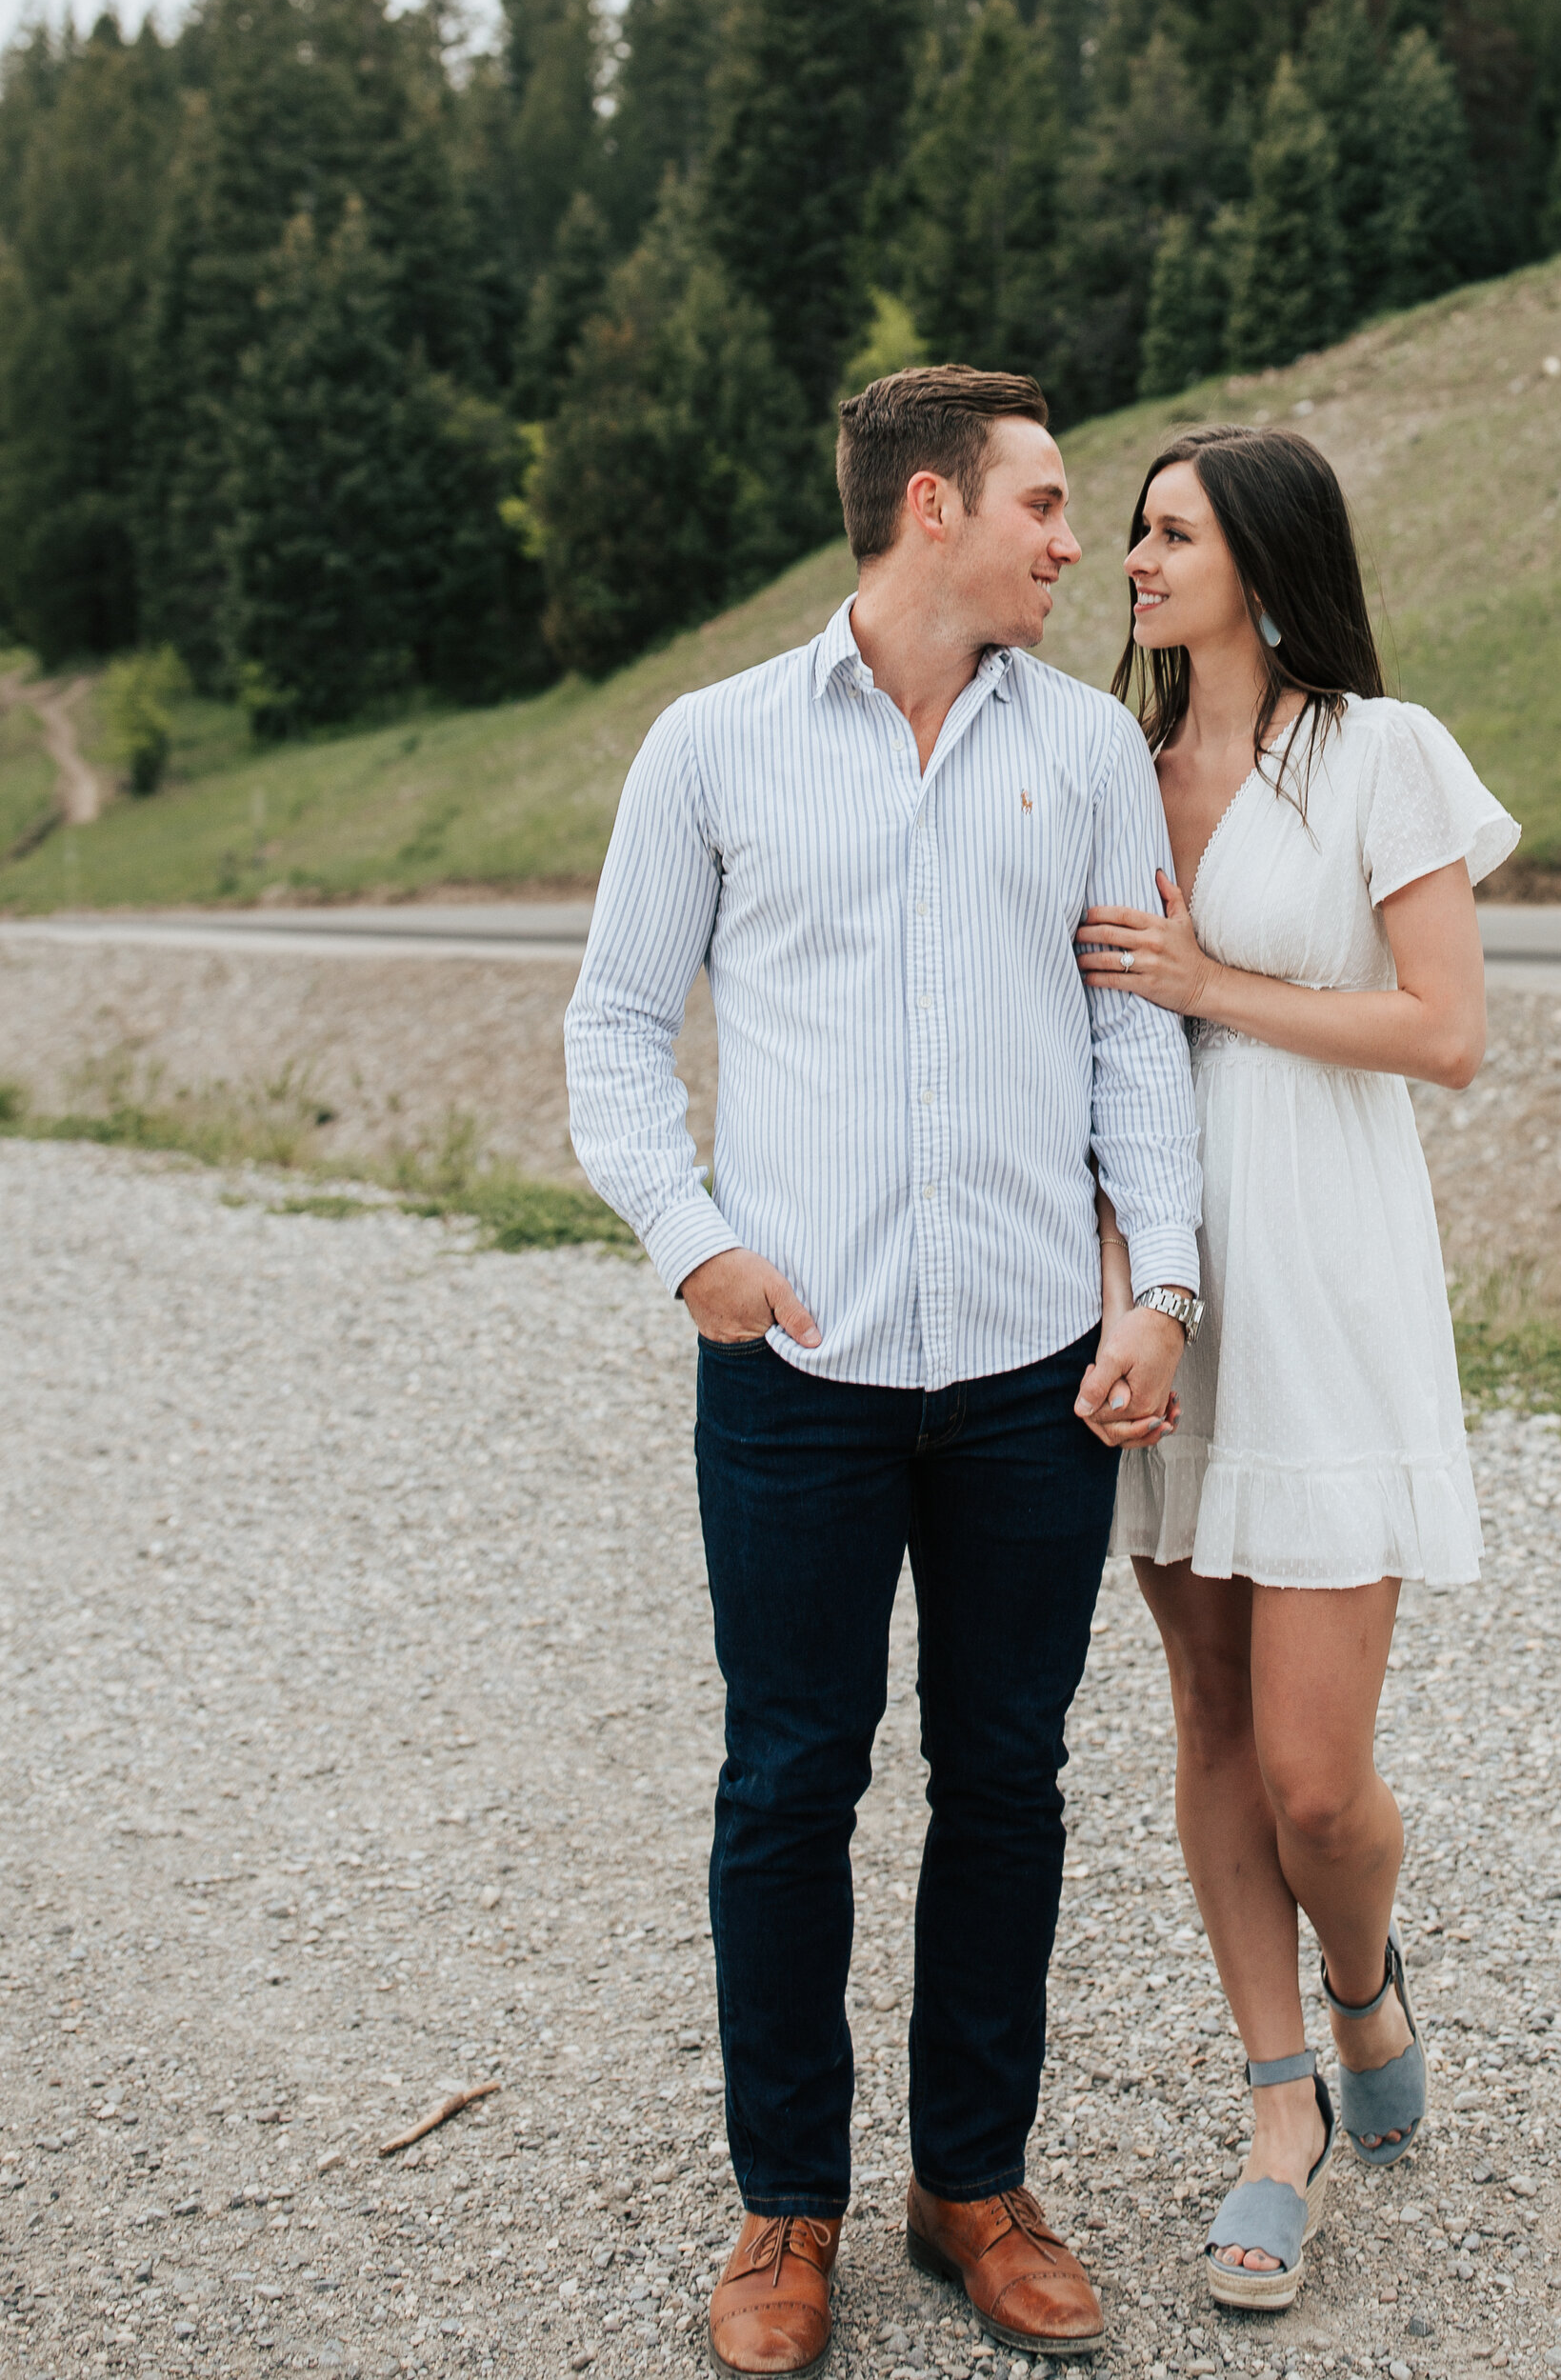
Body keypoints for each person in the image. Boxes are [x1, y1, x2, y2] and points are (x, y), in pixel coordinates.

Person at [565, 366, 1203, 2376]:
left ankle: (972, 2188)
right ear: (929, 507)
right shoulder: (714, 746)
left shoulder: (1089, 747)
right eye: (1040, 501)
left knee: (1005, 1779)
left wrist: (1157, 1290)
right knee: (789, 1781)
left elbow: (1129, 1047)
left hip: (1028, 1366)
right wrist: (701, 1254)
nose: (1069, 539)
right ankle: (786, 2213)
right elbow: (610, 1033)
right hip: (796, 1369)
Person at [1071, 424, 1519, 2316]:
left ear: (1258, 557)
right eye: (1127, 533)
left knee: (1317, 1779)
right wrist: (1120, 1295)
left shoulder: (1374, 752)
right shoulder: (1105, 774)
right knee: (1209, 1727)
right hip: (1171, 1303)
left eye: (1167, 532)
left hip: (1328, 1285)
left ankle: (1358, 1984)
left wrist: (1207, 987)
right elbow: (1085, 1068)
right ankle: (1279, 2113)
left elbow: (1443, 1033)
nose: (1133, 562)